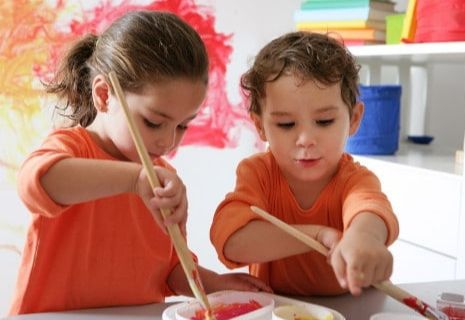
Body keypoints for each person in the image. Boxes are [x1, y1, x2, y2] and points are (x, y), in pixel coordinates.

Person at [10, 10, 270, 316]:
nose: (168, 142)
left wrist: (215, 284)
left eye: (183, 125)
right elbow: (35, 183)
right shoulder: (72, 150)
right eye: (153, 122)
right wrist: (134, 180)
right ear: (104, 95)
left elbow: (170, 267)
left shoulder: (161, 175)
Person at [210, 31, 399, 297]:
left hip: (347, 310)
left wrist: (365, 238)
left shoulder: (355, 179)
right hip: (279, 312)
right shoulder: (258, 174)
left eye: (324, 122)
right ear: (259, 126)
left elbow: (370, 211)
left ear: (354, 119)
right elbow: (231, 242)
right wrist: (317, 235)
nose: (306, 140)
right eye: (286, 124)